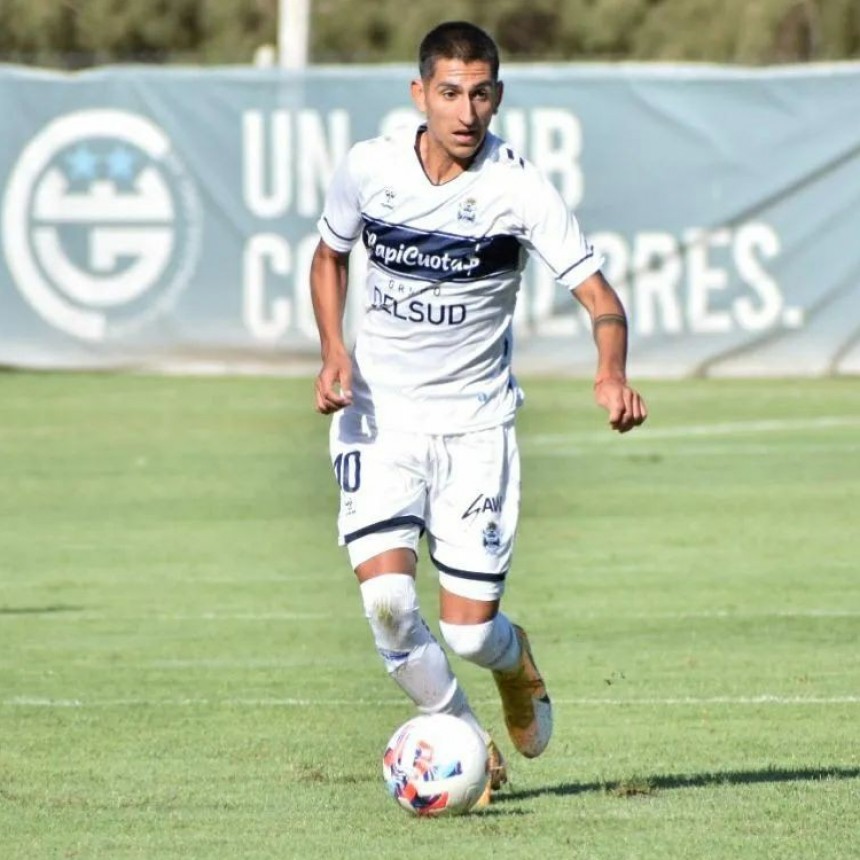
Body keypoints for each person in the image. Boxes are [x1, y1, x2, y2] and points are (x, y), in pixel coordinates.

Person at [310, 20, 647, 805]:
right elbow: (329, 256)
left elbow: (600, 297)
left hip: (475, 429)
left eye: (482, 94)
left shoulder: (518, 190)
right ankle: (468, 740)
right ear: (419, 93)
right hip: (379, 420)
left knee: (467, 631)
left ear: (498, 97)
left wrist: (610, 371)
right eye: (451, 93)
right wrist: (332, 350)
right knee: (389, 606)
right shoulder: (369, 168)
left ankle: (511, 657)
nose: (466, 112)